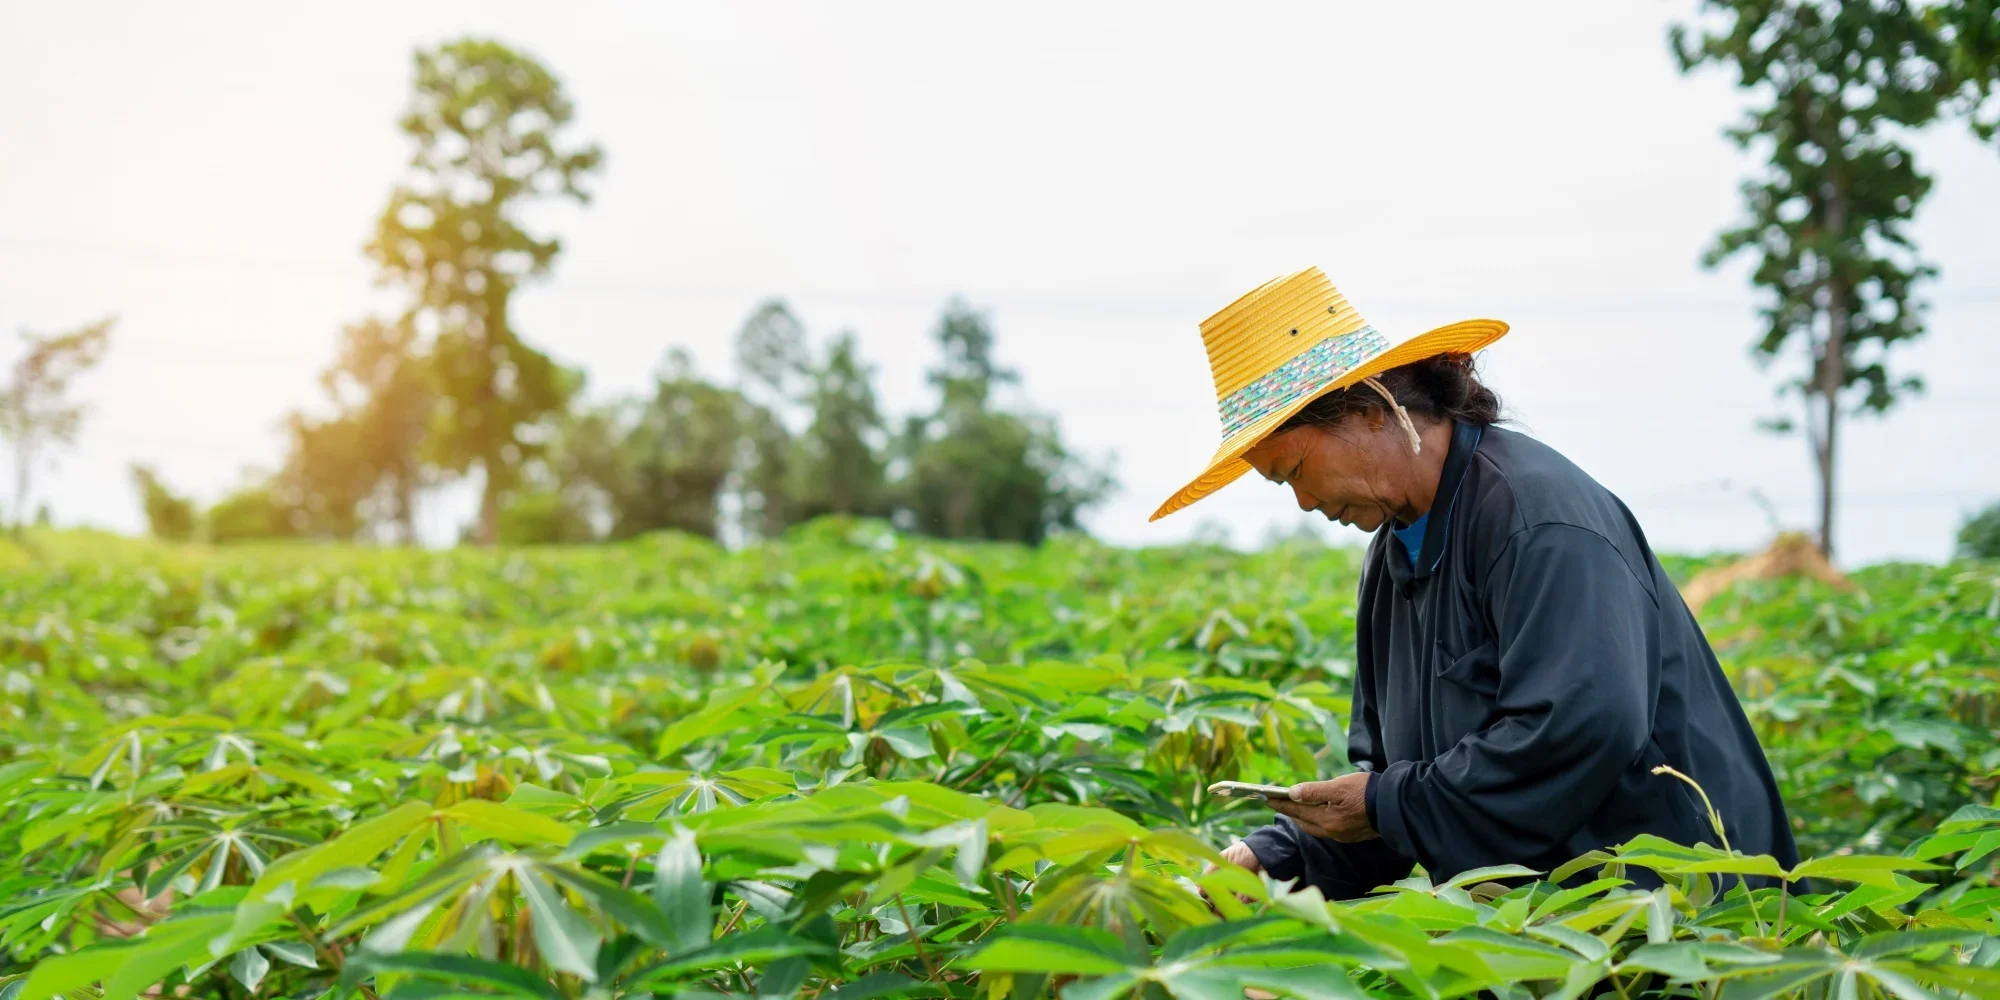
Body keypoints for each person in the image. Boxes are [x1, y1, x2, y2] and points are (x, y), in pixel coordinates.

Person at [1152, 267, 1797, 896]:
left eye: (1294, 470)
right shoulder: (1391, 559)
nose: (1303, 503)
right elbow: (1402, 788)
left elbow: (1579, 729)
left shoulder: (1536, 517)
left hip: (1682, 905)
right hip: (1538, 916)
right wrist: (1280, 855)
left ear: (1370, 410)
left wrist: (1385, 803)